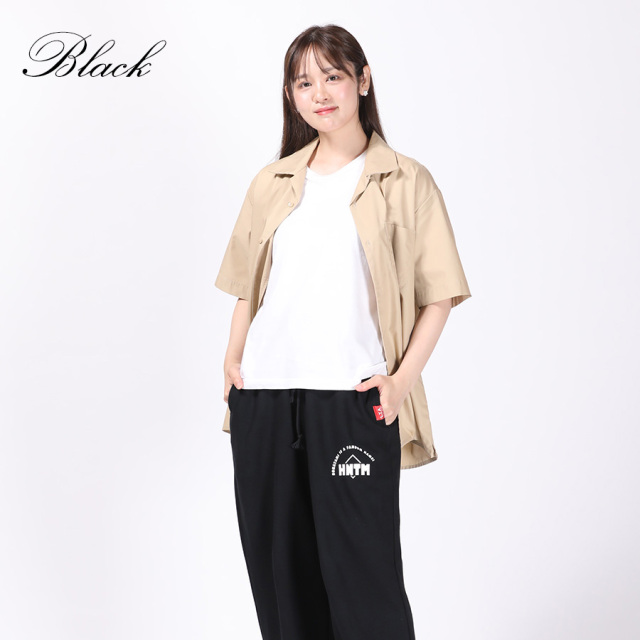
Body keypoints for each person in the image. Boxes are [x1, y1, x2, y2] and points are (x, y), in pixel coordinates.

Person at [214, 23, 472, 640]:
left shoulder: (406, 180)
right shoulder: (272, 182)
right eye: (304, 82)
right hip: (264, 398)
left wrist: (400, 383)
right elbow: (248, 286)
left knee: (363, 585)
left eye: (332, 76)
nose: (320, 93)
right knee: (280, 582)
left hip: (354, 400)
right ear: (290, 95)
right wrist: (231, 363)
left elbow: (440, 294)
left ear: (362, 80)